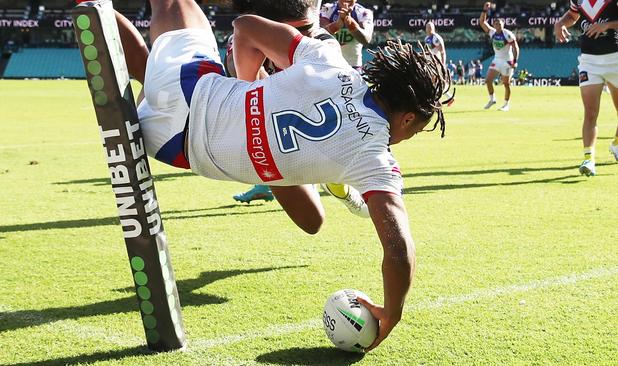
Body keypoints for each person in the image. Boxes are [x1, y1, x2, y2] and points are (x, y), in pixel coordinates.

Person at [114, 0, 450, 351]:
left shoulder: (327, 57)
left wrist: (246, 90)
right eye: (416, 130)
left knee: (177, 11)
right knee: (156, 68)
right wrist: (392, 311)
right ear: (408, 117)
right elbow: (397, 249)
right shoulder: (375, 159)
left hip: (186, 85)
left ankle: (94, 10)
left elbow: (244, 25)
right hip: (172, 148)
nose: (408, 138)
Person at [228, 0, 368, 218]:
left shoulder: (323, 45)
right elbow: (252, 90)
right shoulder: (250, 37)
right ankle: (285, 182)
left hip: (329, 81)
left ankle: (338, 185)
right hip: (281, 104)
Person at [555, 0, 618, 176]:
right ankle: (589, 159)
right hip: (589, 61)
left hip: (616, 59)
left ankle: (616, 144)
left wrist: (608, 25)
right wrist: (560, 23)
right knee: (590, 112)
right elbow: (572, 15)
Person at [479, 2, 520, 111]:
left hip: (507, 61)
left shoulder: (508, 34)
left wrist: (515, 61)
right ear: (494, 25)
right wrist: (484, 10)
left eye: (500, 24)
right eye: (496, 24)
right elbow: (482, 22)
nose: (498, 25)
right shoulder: (492, 33)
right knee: (488, 80)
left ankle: (506, 104)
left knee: (506, 84)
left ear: (503, 25)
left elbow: (516, 48)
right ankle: (492, 99)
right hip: (497, 60)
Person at [319, 0, 374, 70]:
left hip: (354, 67)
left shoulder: (364, 12)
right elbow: (320, 34)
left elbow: (366, 39)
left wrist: (350, 23)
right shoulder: (327, 8)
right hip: (329, 66)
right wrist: (337, 25)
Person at [424, 21, 454, 105]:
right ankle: (448, 97)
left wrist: (443, 64)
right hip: (430, 63)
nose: (428, 29)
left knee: (433, 82)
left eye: (430, 27)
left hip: (436, 63)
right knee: (435, 82)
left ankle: (435, 101)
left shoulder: (435, 38)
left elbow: (442, 51)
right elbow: (428, 51)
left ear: (433, 28)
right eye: (427, 27)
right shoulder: (426, 38)